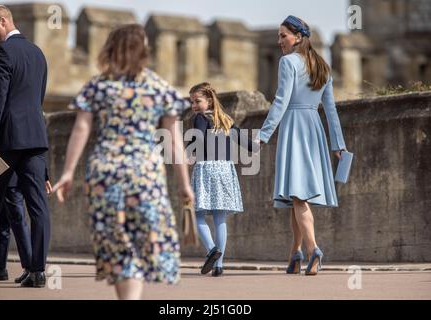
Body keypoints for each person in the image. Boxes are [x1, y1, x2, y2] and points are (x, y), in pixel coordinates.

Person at [52, 24, 194, 300]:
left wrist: (68, 172)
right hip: (145, 175)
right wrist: (185, 185)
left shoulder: (98, 85)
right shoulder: (159, 87)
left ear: (110, 48)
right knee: (140, 245)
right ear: (144, 51)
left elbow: (81, 129)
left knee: (118, 244)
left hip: (106, 174)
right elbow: (175, 143)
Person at [255, 15, 347, 276]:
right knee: (295, 197)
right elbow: (330, 110)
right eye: (278, 36)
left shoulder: (288, 62)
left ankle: (314, 249)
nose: (279, 41)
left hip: (294, 126)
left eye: (283, 35)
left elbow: (281, 101)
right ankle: (294, 254)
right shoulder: (323, 66)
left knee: (298, 196)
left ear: (298, 37)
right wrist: (337, 144)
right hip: (314, 129)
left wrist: (263, 135)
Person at [0, 5, 51, 287]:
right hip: (35, 139)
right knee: (38, 207)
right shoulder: (38, 53)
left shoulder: (3, 52)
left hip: (6, 141)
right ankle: (37, 271)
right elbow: (38, 100)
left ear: (4, 20)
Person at [188, 82, 253, 277]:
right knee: (219, 218)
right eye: (191, 102)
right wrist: (258, 142)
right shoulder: (226, 120)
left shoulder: (199, 118)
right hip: (225, 169)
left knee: (197, 215)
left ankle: (211, 250)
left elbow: (197, 140)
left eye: (197, 101)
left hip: (206, 168)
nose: (193, 106)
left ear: (208, 100)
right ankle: (219, 265)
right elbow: (247, 144)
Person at [0, 172, 52, 283]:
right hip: (4, 177)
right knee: (2, 221)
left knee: (18, 221)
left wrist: (44, 175)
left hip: (10, 178)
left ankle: (29, 267)